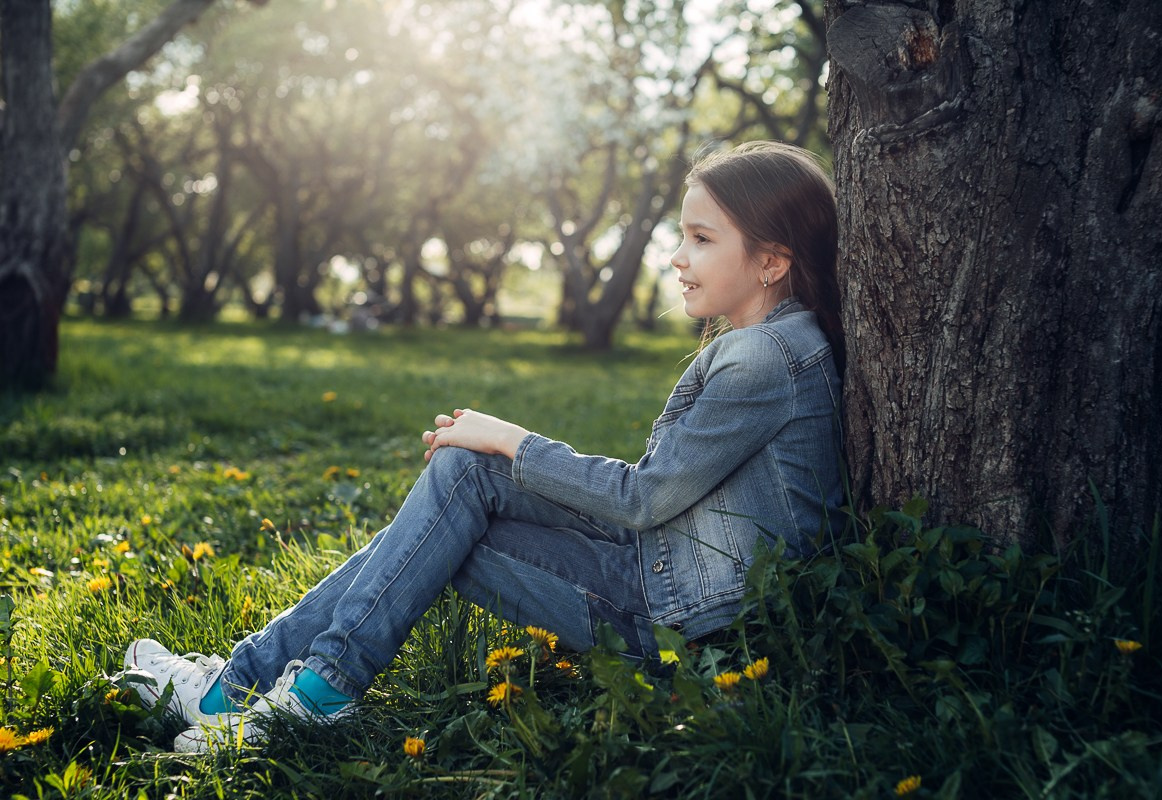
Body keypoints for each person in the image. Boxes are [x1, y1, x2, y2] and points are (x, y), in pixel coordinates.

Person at [121, 140, 846, 753]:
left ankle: (294, 694)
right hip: (668, 574)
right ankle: (258, 688)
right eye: (682, 235)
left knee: (442, 530)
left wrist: (510, 436)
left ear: (773, 261)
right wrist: (490, 448)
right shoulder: (772, 342)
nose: (678, 257)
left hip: (685, 624)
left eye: (702, 238)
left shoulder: (763, 360)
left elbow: (644, 496)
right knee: (461, 478)